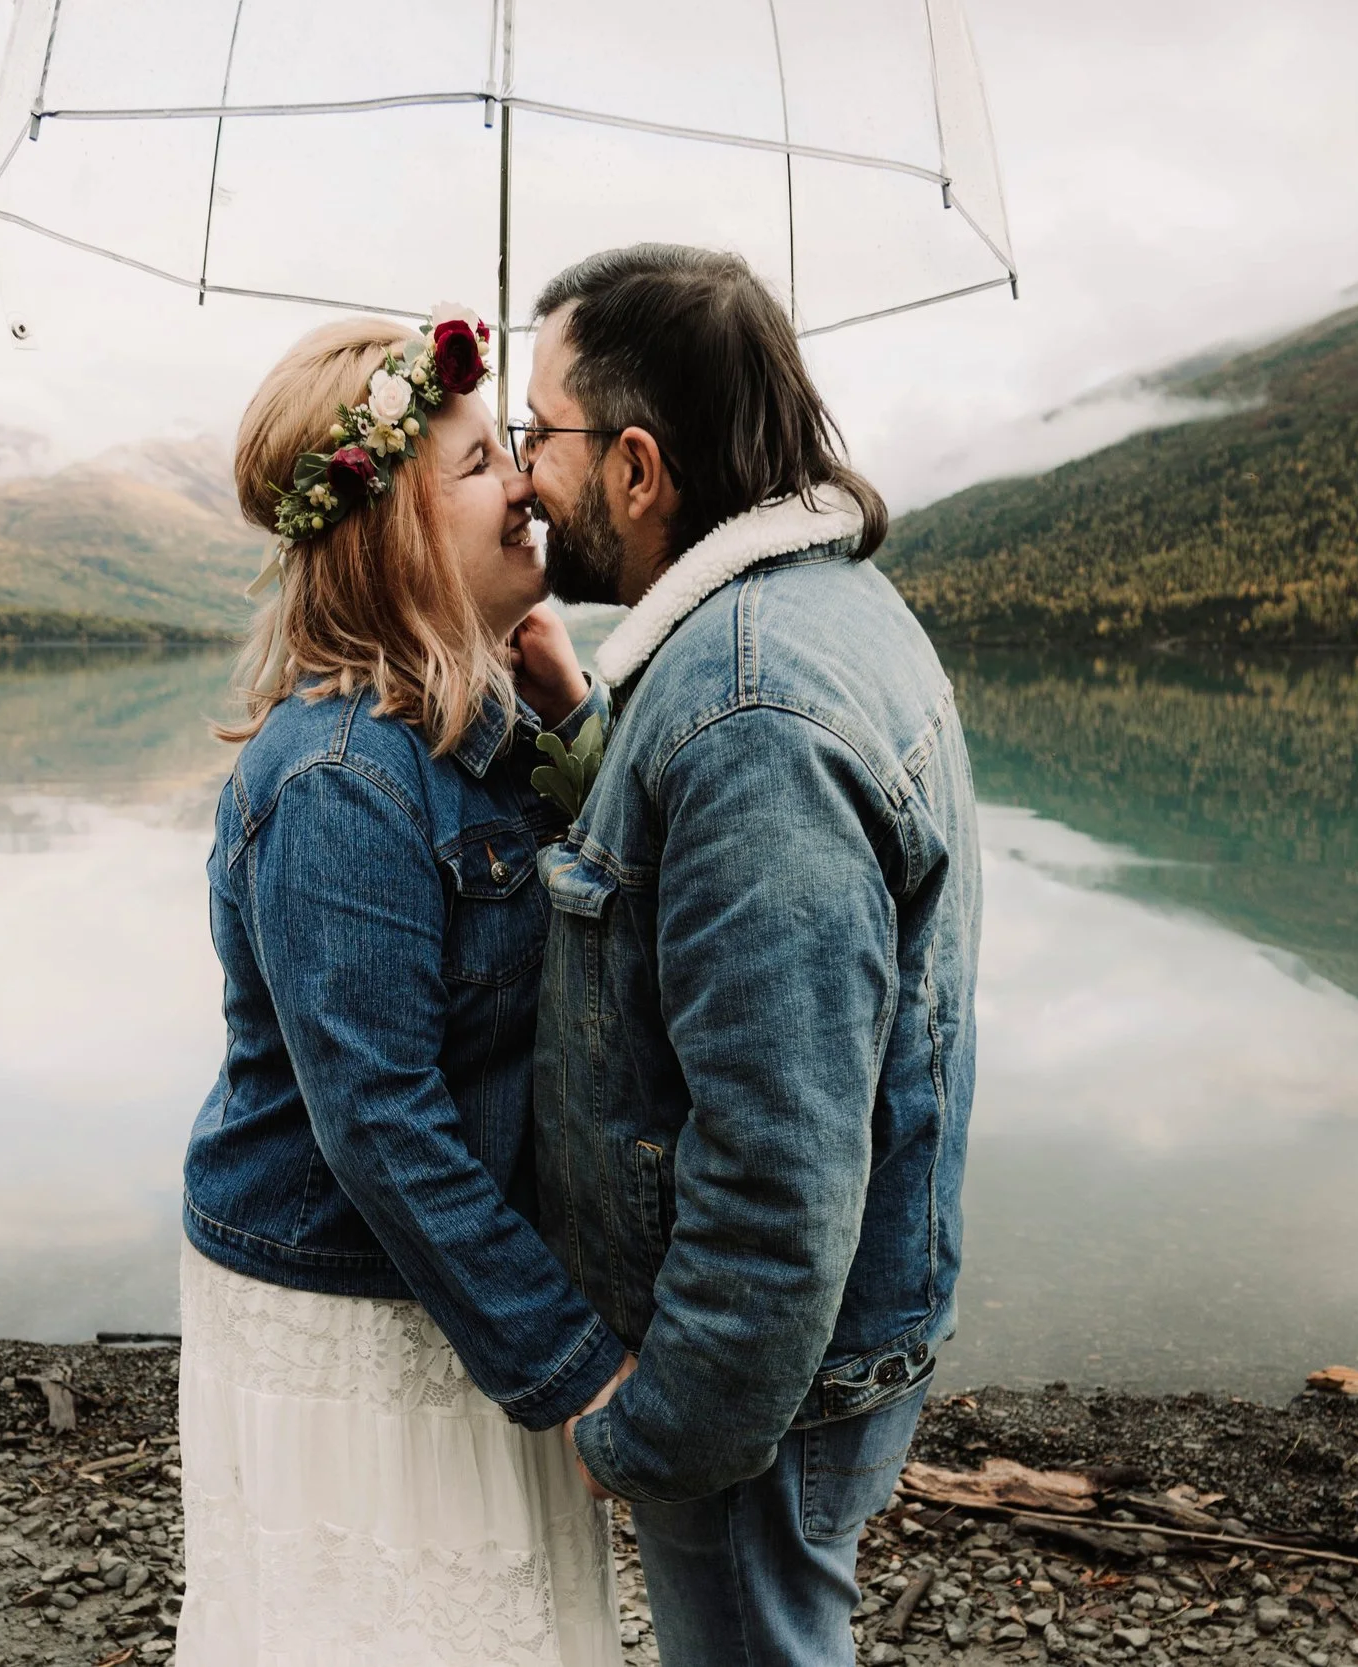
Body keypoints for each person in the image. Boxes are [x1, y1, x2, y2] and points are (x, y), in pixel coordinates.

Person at [517, 245, 983, 1665]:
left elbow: (777, 1169)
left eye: (541, 434)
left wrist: (659, 1430)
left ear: (640, 469)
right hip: (794, 1363)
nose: (527, 471)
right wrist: (587, 719)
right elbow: (698, 895)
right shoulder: (787, 629)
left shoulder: (748, 714)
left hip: (754, 1389)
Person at [177, 310, 632, 1667]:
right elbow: (380, 1124)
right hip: (353, 1307)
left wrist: (577, 723)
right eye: (487, 462)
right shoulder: (338, 781)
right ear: (394, 530)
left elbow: (623, 930)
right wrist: (572, 1371)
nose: (531, 486)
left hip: (457, 1287)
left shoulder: (484, 735)